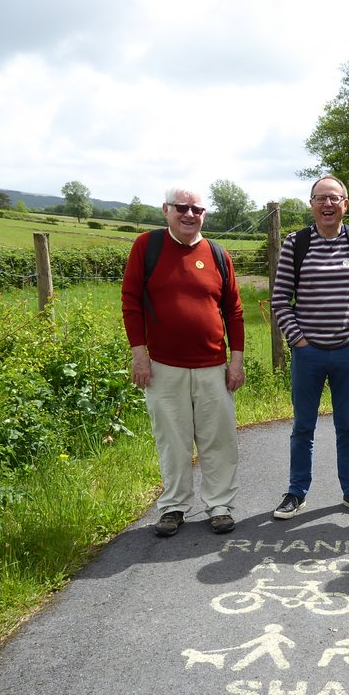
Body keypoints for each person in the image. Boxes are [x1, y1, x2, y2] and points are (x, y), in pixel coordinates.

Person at [121, 186, 245, 537]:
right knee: (172, 440)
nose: (190, 214)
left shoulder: (217, 254)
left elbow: (234, 311)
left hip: (212, 366)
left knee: (219, 440)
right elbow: (130, 302)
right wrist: (139, 355)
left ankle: (219, 505)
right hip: (163, 366)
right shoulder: (148, 247)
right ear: (166, 210)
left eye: (197, 209)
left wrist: (236, 361)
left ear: (204, 214)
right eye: (182, 208)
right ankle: (174, 506)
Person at [270, 175, 349, 519]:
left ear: (345, 205)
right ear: (311, 204)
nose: (328, 205)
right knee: (302, 427)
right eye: (320, 198)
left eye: (334, 199)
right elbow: (280, 298)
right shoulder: (296, 243)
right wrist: (299, 341)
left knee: (347, 426)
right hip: (308, 354)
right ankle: (296, 492)